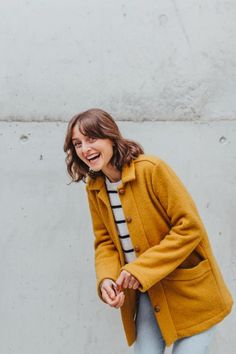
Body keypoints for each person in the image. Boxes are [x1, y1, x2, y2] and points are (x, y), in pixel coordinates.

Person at [64, 108, 233, 354]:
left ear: (110, 137)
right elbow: (105, 242)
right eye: (77, 143)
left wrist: (140, 269)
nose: (84, 149)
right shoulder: (95, 187)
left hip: (192, 293)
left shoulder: (151, 169)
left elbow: (189, 227)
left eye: (91, 139)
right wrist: (107, 279)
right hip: (148, 295)